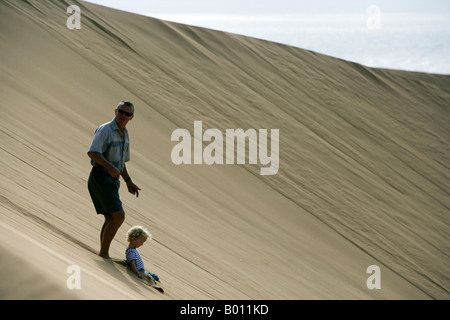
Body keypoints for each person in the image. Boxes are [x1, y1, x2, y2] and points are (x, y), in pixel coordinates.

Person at [87, 101, 141, 258]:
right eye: (121, 111)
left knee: (111, 217)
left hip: (112, 181)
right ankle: (103, 254)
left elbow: (121, 161)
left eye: (127, 114)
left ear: (132, 117)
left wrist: (128, 181)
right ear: (115, 111)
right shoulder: (106, 130)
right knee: (119, 216)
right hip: (100, 177)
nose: (123, 115)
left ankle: (103, 252)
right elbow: (92, 152)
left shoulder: (124, 134)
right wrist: (110, 167)